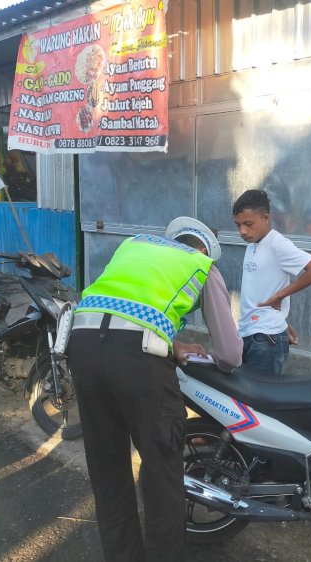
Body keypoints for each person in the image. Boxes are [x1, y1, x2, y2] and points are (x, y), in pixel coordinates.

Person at [66, 217, 242, 562]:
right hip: (138, 363)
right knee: (163, 474)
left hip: (82, 345)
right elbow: (229, 354)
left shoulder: (133, 246)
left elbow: (121, 311)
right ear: (206, 250)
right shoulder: (201, 265)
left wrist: (172, 343)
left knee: (108, 471)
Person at [232, 189, 311, 374]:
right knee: (246, 399)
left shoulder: (277, 244)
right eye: (238, 225)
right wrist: (281, 321)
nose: (242, 231)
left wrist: (280, 297)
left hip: (265, 340)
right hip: (250, 332)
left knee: (259, 398)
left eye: (248, 224)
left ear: (266, 218)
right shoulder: (252, 245)